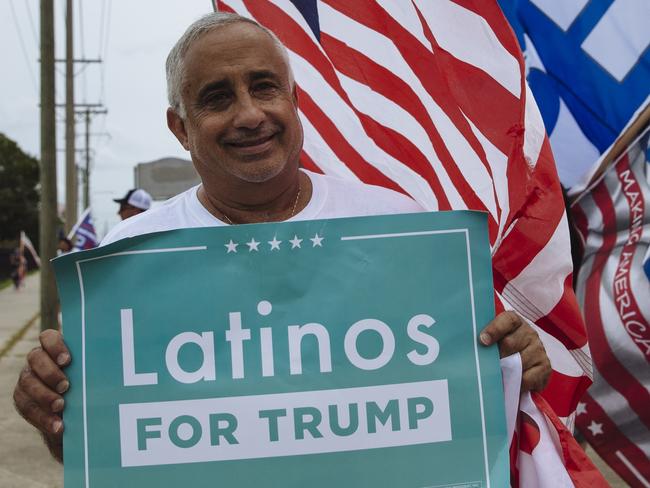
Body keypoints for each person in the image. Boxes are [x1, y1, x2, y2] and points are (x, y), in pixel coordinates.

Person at [13, 12, 551, 463]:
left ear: (294, 99)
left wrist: (511, 366)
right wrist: (55, 415)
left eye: (264, 87)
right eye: (218, 98)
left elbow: (454, 411)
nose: (250, 114)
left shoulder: (395, 226)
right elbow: (105, 447)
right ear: (180, 127)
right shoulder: (126, 263)